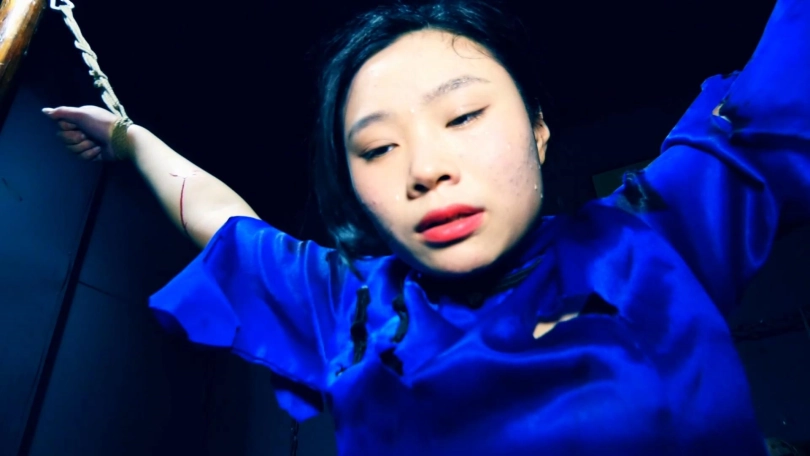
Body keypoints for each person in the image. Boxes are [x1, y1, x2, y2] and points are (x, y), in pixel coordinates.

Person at [43, 0, 809, 454]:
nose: (425, 169)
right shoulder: (349, 308)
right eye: (378, 148)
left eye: (464, 115)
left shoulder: (658, 235)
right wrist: (127, 140)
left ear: (539, 128)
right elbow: (222, 220)